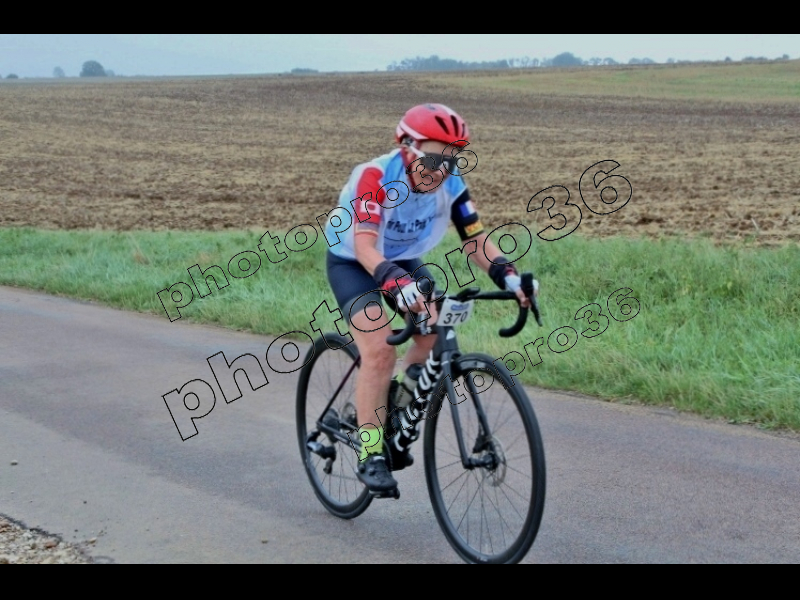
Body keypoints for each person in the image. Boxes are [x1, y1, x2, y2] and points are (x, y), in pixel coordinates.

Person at [324, 103, 534, 494]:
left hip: (402, 259)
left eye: (451, 162)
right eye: (435, 160)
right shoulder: (375, 176)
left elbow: (475, 240)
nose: (442, 171)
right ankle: (371, 451)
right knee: (380, 350)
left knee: (434, 333)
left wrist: (508, 276)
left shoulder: (451, 184)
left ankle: (397, 406)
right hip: (354, 261)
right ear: (407, 148)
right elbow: (365, 246)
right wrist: (394, 282)